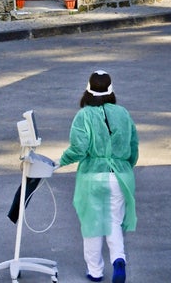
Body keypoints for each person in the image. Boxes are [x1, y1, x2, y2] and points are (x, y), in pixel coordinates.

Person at [59, 71, 139, 283]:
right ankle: (119, 260)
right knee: (113, 220)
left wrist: (61, 162)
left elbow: (79, 148)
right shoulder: (123, 113)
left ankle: (95, 272)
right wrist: (124, 167)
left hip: (92, 177)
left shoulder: (83, 116)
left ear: (88, 90)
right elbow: (133, 148)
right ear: (112, 90)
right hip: (120, 176)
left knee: (93, 223)